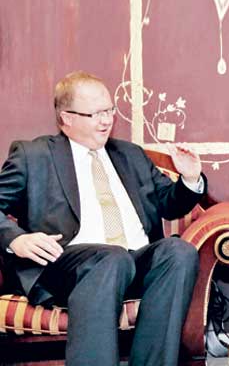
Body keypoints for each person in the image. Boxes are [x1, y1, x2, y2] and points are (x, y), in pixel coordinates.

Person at [0, 71, 206, 366]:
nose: (106, 120)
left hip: (133, 261)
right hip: (68, 265)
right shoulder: (33, 155)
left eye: (109, 110)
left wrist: (190, 179)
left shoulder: (130, 154)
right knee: (111, 257)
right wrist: (17, 239)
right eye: (95, 114)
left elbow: (169, 204)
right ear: (66, 118)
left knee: (179, 251)